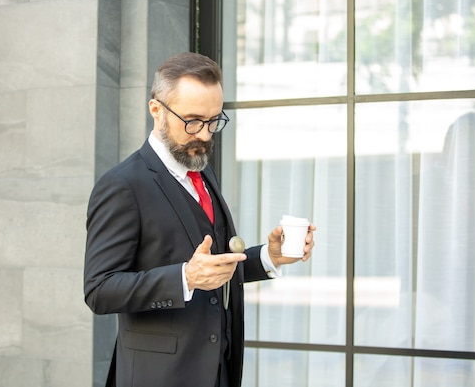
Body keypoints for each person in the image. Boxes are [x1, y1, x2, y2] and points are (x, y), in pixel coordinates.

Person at [83, 51, 316, 387]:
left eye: (214, 121)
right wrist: (185, 278)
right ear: (156, 110)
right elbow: (99, 289)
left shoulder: (202, 170)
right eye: (193, 121)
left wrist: (269, 256)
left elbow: (214, 268)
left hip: (218, 371)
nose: (205, 135)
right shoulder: (122, 186)